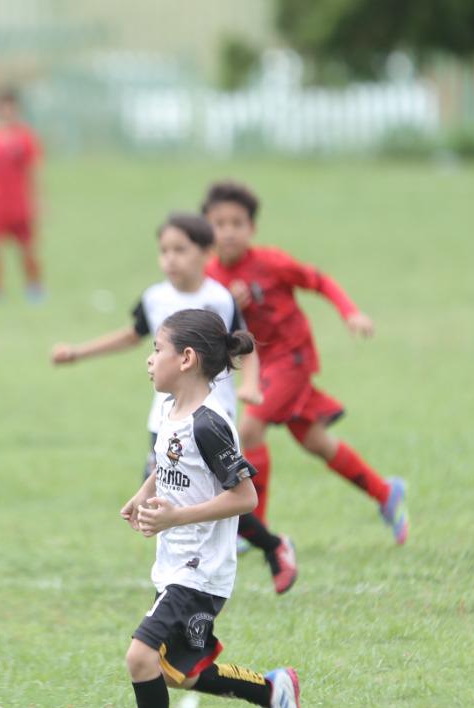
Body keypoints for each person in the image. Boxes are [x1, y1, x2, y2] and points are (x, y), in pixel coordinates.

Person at [52, 212, 298, 593]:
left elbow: (243, 345)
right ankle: (192, 576)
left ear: (205, 252)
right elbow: (130, 336)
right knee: (170, 488)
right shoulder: (154, 298)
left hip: (209, 417)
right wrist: (78, 353)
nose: (170, 259)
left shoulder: (219, 297)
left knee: (209, 492)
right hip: (166, 415)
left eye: (180, 250)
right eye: (164, 250)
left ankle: (257, 552)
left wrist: (251, 385)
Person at [115, 309, 306, 708]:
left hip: (199, 570)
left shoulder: (210, 423)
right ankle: (269, 690)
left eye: (157, 349)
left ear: (186, 358)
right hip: (174, 563)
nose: (149, 359)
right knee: (178, 673)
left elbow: (245, 498)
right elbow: (168, 460)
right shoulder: (169, 409)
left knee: (141, 658)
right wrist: (143, 496)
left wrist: (174, 517)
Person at [202, 180, 408, 545]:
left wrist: (351, 313)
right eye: (220, 224)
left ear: (252, 228)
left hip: (292, 358)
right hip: (261, 366)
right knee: (316, 442)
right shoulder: (211, 278)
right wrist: (230, 308)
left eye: (238, 223)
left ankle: (254, 532)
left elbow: (320, 281)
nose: (229, 232)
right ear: (207, 228)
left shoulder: (271, 263)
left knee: (249, 431)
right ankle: (385, 493)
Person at [0, 89, 42, 303]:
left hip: (19, 202)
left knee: (27, 248)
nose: (7, 111)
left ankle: (34, 288)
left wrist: (39, 201)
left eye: (11, 106)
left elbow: (33, 172)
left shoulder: (25, 137)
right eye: (3, 106)